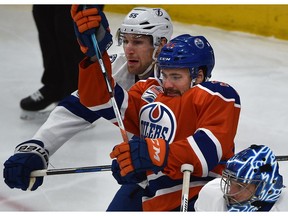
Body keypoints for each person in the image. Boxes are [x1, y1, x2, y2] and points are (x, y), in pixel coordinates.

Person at [3, 5, 174, 211]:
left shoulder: (177, 80)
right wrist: (38, 147)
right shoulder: (117, 68)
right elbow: (75, 107)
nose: (128, 49)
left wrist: (152, 159)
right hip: (141, 177)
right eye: (126, 40)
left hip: (182, 179)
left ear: (161, 45)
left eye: (137, 42)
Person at [71, 27, 241, 210]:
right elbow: (100, 100)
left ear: (198, 76)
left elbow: (208, 150)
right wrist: (95, 58)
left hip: (197, 194)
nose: (167, 84)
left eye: (176, 76)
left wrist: (154, 154)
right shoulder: (149, 91)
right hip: (150, 193)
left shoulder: (217, 95)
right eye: (164, 74)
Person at [194, 144, 287, 211]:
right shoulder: (211, 196)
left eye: (241, 186)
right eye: (230, 183)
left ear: (264, 188)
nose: (230, 193)